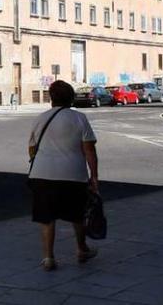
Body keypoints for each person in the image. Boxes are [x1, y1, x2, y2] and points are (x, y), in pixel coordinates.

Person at [27, 80, 99, 271]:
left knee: (47, 218)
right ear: (71, 97)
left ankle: (48, 257)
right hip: (73, 175)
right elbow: (89, 151)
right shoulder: (79, 119)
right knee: (77, 215)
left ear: (51, 98)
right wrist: (94, 176)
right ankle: (82, 249)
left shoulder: (41, 118)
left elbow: (31, 148)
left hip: (42, 174)